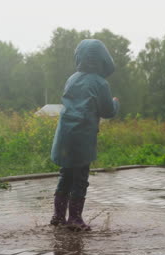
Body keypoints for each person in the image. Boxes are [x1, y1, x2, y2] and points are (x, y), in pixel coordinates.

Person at [50, 39, 119, 231]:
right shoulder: (100, 83)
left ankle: (57, 216)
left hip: (65, 135)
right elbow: (107, 111)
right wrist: (115, 103)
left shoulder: (72, 78)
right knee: (80, 178)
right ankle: (74, 218)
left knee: (65, 175)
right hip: (82, 137)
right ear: (103, 60)